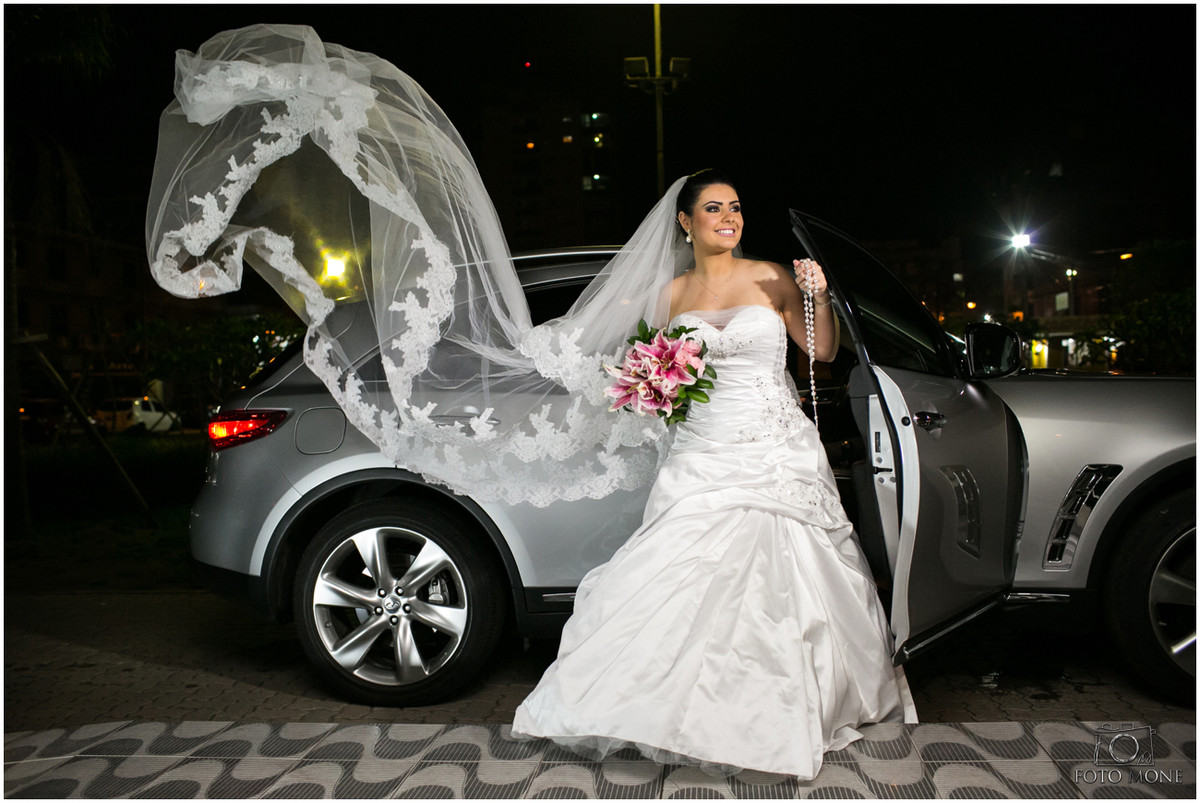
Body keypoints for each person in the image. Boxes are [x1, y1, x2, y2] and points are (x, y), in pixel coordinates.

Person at [509, 170, 917, 780]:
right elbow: (610, 350)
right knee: (678, 571)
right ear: (685, 222)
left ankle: (778, 710)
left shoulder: (772, 277)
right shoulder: (668, 295)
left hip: (776, 450)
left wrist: (819, 296)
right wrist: (646, 385)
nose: (729, 218)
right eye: (714, 208)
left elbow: (822, 351)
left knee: (785, 576)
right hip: (701, 451)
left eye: (735, 207)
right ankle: (665, 709)